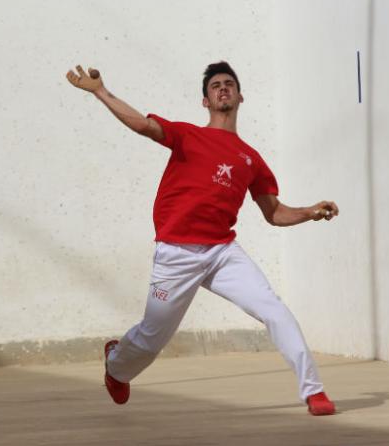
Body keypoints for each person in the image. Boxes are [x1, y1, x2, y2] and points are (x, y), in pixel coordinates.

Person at [65, 61, 339, 416]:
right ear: (205, 101)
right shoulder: (187, 135)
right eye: (215, 86)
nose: (223, 88)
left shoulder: (252, 160)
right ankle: (116, 365)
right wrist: (101, 91)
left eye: (229, 84)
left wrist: (310, 212)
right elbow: (141, 124)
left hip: (223, 252)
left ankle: (314, 392)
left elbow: (274, 213)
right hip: (176, 252)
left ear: (241, 96)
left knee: (274, 310)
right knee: (151, 339)